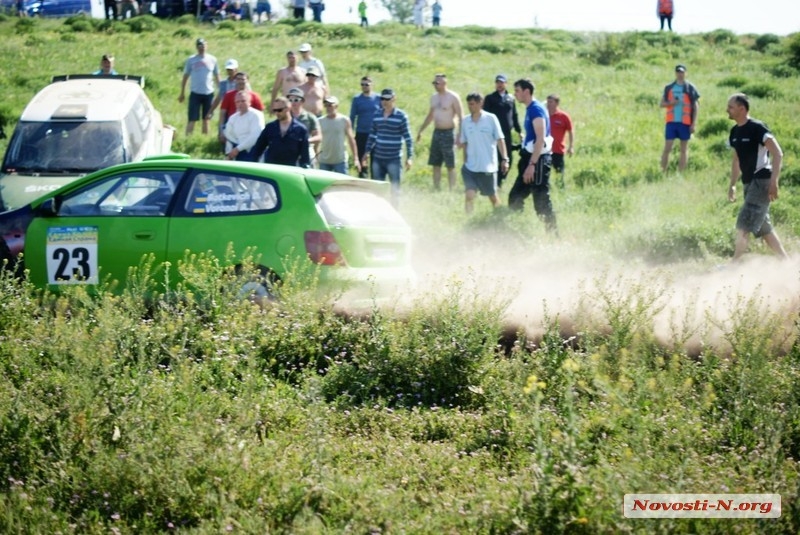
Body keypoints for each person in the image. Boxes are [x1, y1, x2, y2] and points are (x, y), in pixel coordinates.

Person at [726, 93, 788, 261]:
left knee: (744, 224)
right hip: (748, 183)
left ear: (742, 108)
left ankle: (734, 265)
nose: (727, 110)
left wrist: (774, 181)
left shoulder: (757, 128)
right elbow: (736, 160)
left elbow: (778, 153)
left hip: (761, 181)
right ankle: (787, 262)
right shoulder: (734, 132)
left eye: (730, 107)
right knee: (763, 228)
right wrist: (732, 184)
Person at [508, 78, 557, 234]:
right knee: (515, 197)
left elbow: (541, 137)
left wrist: (532, 165)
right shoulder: (530, 109)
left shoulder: (536, 109)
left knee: (541, 201)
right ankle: (517, 230)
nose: (515, 94)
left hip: (538, 161)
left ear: (526, 91)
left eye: (517, 90)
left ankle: (553, 235)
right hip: (530, 158)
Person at [362, 89, 414, 207]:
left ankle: (395, 213)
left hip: (394, 159)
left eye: (387, 99)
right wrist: (366, 152)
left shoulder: (401, 116)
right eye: (382, 99)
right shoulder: (377, 114)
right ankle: (378, 213)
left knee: (395, 190)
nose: (384, 102)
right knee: (377, 190)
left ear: (393, 99)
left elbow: (408, 138)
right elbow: (372, 135)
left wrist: (409, 157)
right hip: (378, 158)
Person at [459, 93, 508, 214]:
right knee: (469, 195)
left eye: (472, 104)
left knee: (492, 196)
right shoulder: (465, 121)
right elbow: (464, 143)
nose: (470, 107)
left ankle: (499, 215)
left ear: (480, 103)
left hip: (487, 167)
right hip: (470, 167)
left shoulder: (491, 119)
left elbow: (500, 139)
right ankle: (468, 219)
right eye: (468, 104)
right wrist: (465, 161)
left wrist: (505, 159)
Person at [416, 73, 463, 191]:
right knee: (435, 163)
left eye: (437, 83)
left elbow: (461, 117)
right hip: (437, 132)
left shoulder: (453, 97)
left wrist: (459, 135)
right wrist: (421, 130)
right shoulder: (434, 97)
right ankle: (436, 188)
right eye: (434, 83)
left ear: (444, 83)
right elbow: (430, 115)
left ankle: (452, 189)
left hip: (449, 133)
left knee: (450, 164)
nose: (435, 85)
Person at [660, 63, 699, 173]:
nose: (680, 74)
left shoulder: (690, 88)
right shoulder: (669, 88)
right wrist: (671, 103)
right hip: (671, 122)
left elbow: (696, 106)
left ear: (685, 73)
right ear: (675, 73)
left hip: (685, 123)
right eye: (678, 72)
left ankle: (680, 173)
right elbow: (662, 104)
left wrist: (693, 123)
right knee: (667, 148)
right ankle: (663, 171)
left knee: (683, 149)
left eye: (682, 72)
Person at [483, 74, 521, 187]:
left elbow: (514, 115)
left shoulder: (510, 98)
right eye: (497, 82)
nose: (499, 84)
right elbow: (485, 115)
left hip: (507, 132)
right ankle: (494, 179)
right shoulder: (490, 98)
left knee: (508, 155)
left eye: (501, 82)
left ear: (505, 83)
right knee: (496, 155)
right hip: (493, 133)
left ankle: (502, 178)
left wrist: (519, 131)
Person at [251, 96, 310, 167]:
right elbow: (257, 149)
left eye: (279, 110)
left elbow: (305, 155)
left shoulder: (301, 129)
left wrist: (305, 166)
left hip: (290, 170)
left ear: (288, 108)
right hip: (271, 168)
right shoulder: (270, 127)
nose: (277, 113)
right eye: (274, 110)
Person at [178, 38, 220, 136]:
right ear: (196, 47)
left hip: (208, 93)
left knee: (206, 118)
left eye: (203, 45)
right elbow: (185, 76)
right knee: (192, 118)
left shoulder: (213, 60)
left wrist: (220, 90)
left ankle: (204, 138)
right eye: (200, 46)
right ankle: (188, 138)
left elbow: (217, 75)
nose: (202, 48)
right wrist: (182, 93)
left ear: (207, 46)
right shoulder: (191, 60)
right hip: (195, 93)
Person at [218, 72, 265, 146]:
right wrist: (221, 131)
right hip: (232, 128)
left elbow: (261, 115)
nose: (240, 81)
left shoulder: (255, 96)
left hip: (249, 130)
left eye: (243, 79)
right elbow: (222, 114)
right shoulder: (228, 95)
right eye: (238, 79)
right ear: (235, 81)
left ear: (247, 81)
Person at [318, 96, 360, 175]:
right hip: (324, 160)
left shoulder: (344, 120)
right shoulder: (320, 121)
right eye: (326, 105)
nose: (328, 108)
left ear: (336, 106)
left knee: (343, 185)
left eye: (330, 105)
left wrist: (356, 158)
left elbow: (351, 139)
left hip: (340, 160)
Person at [350, 75, 381, 178]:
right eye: (362, 84)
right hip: (361, 133)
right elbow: (352, 117)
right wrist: (351, 133)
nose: (364, 86)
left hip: (375, 134)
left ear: (372, 85)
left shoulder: (378, 98)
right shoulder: (357, 99)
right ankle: (362, 177)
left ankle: (375, 179)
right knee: (361, 158)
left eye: (366, 84)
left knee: (375, 159)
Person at [223, 91, 265, 161]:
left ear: (249, 102)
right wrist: (229, 153)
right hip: (237, 153)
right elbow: (229, 137)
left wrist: (238, 149)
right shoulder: (233, 118)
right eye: (237, 102)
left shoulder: (256, 115)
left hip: (254, 152)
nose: (240, 104)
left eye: (243, 101)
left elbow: (255, 136)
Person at [286, 87, 322, 164]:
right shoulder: (284, 117)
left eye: (296, 100)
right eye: (290, 100)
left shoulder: (310, 117)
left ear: (302, 101)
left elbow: (318, 137)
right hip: (288, 150)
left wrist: (305, 141)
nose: (293, 102)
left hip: (306, 149)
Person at [545, 94, 574, 189]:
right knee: (545, 173)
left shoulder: (563, 117)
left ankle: (560, 190)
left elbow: (570, 131)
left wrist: (571, 146)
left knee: (559, 173)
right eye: (547, 102)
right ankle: (546, 190)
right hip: (545, 150)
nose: (548, 104)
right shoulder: (543, 115)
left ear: (557, 103)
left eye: (551, 102)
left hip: (558, 150)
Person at [208, 58, 238, 123]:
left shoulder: (241, 83)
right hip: (225, 110)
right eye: (228, 70)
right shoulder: (223, 83)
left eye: (231, 70)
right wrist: (211, 111)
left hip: (238, 109)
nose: (229, 72)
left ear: (236, 70)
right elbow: (218, 98)